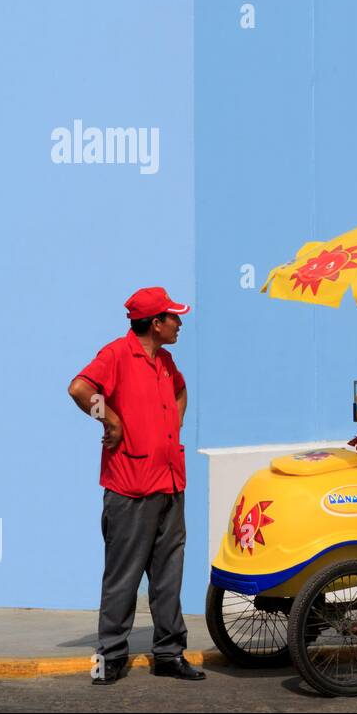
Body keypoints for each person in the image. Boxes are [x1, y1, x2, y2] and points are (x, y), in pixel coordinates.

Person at [67, 287, 205, 685]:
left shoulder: (165, 360)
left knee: (168, 575)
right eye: (173, 317)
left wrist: (170, 428)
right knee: (122, 577)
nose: (179, 323)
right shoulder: (116, 355)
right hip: (130, 487)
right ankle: (110, 656)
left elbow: (180, 391)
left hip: (169, 482)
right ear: (155, 323)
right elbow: (79, 389)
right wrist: (109, 419)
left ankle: (168, 653)